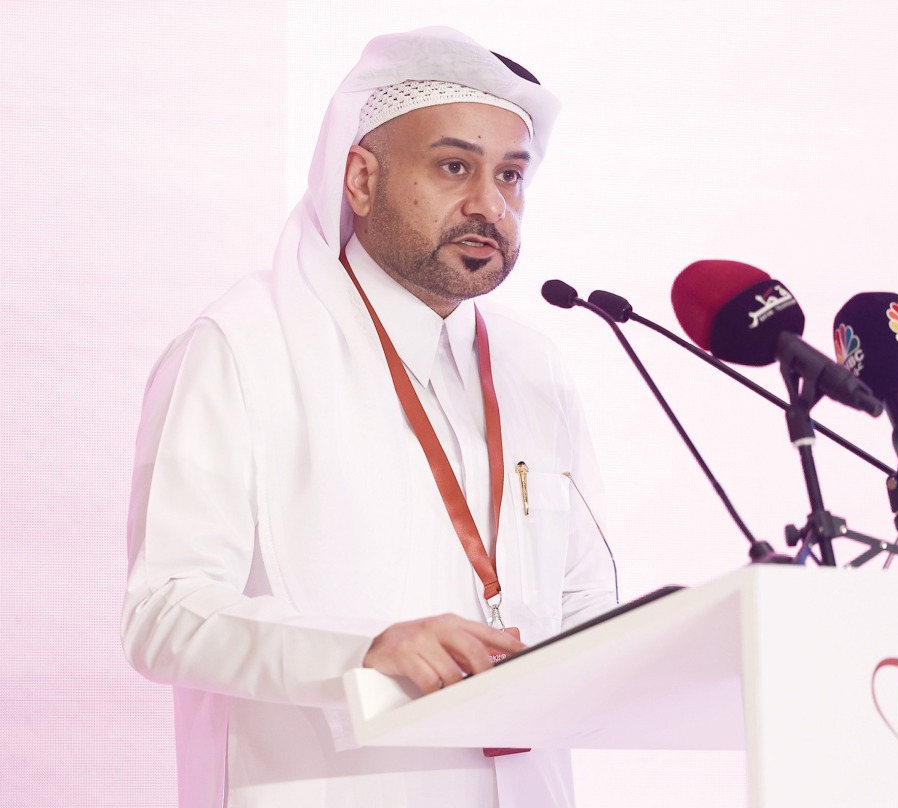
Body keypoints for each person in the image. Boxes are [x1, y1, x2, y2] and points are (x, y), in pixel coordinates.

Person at [122, 26, 618, 808]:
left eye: (511, 176)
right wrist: (367, 652)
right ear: (360, 178)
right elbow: (165, 614)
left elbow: (585, 601)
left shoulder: (534, 369)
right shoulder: (243, 347)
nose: (489, 205)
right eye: (455, 166)